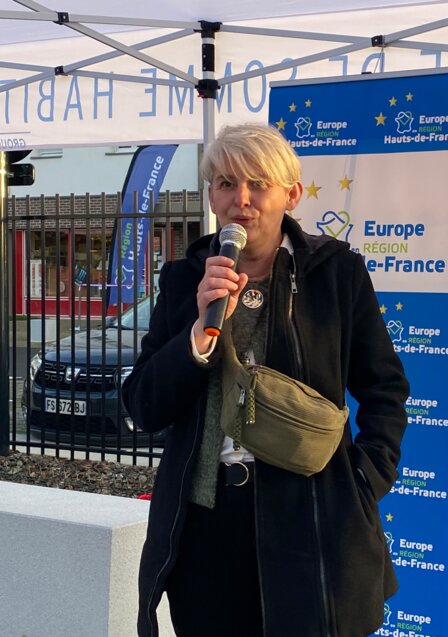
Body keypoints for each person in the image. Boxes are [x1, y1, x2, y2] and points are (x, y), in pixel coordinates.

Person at [123, 123, 410, 637]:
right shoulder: (184, 279)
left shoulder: (335, 274)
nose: (242, 200)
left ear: (292, 194)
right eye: (227, 184)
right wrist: (196, 336)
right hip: (206, 525)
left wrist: (364, 480)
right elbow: (144, 406)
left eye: (258, 183)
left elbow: (384, 388)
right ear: (211, 194)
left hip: (311, 517)